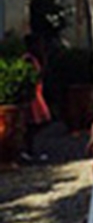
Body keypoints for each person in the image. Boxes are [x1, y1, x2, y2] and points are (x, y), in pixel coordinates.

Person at [22, 34, 51, 162]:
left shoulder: (35, 58)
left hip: (37, 92)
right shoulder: (28, 59)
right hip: (33, 95)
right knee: (34, 122)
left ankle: (29, 149)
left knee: (39, 122)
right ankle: (28, 149)